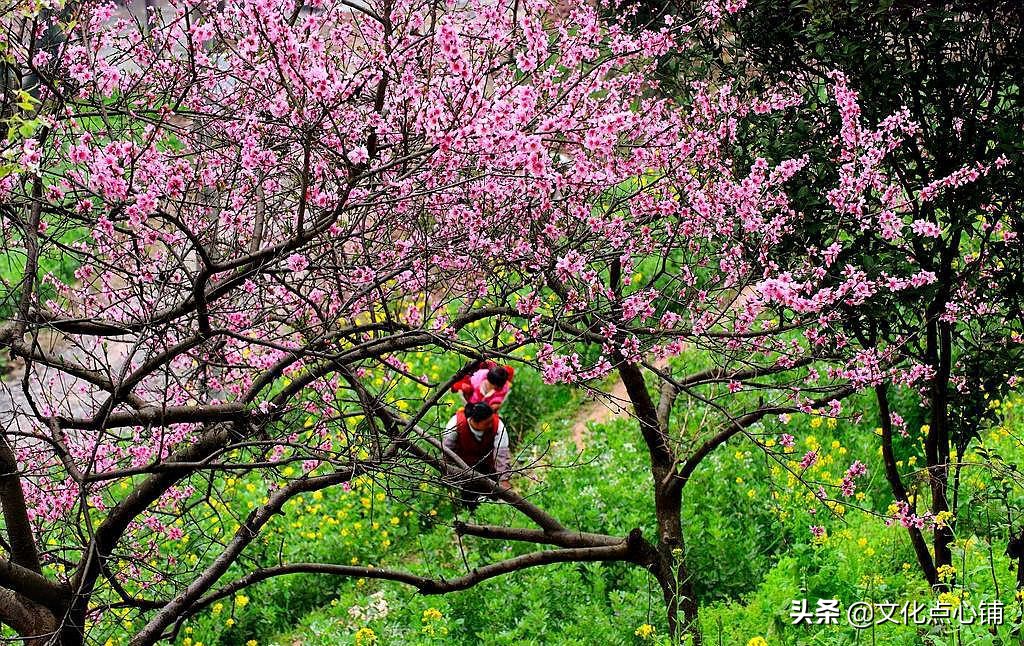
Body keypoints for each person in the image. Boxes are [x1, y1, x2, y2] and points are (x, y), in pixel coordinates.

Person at [442, 402, 511, 508]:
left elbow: (501, 456)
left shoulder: (499, 427)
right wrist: (448, 474)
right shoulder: (455, 424)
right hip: (464, 470)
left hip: (489, 470)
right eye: (488, 422)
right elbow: (447, 452)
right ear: (476, 422)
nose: (491, 424)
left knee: (492, 497)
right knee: (467, 500)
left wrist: (504, 480)